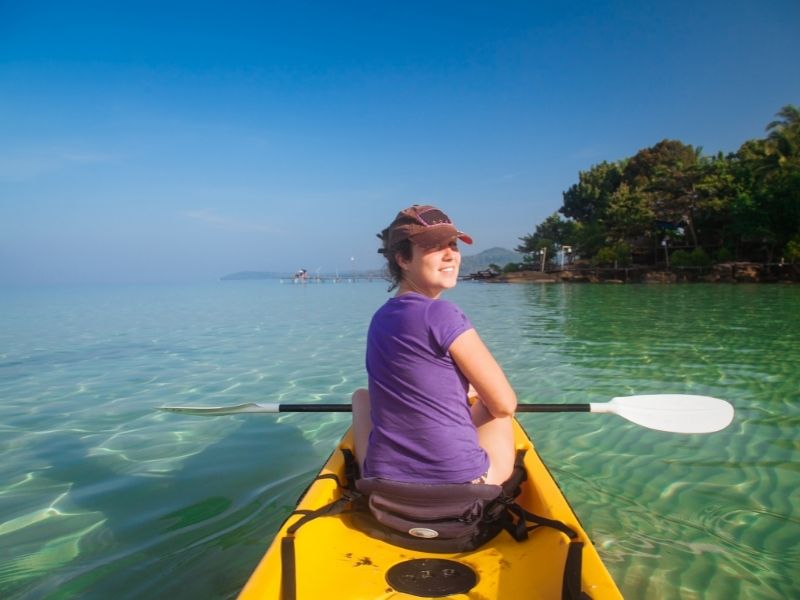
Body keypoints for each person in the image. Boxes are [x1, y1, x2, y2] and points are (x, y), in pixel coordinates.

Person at [352, 204, 517, 486]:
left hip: (383, 490)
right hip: (460, 495)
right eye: (434, 246)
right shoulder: (443, 313)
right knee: (498, 410)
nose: (450, 254)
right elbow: (504, 405)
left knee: (361, 397)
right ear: (402, 259)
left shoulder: (380, 318)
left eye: (452, 244)